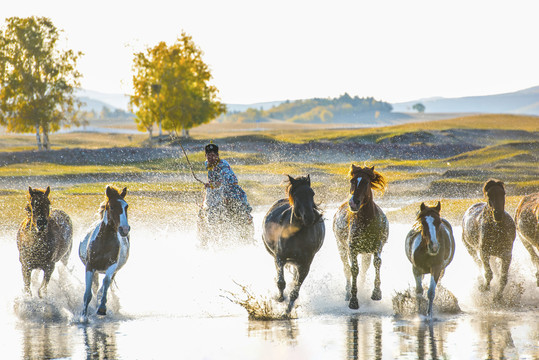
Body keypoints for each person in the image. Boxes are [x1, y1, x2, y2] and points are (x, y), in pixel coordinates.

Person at [203, 142, 253, 224]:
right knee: (206, 206)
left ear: (217, 155)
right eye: (208, 155)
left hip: (230, 191)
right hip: (216, 191)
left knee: (238, 207)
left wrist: (213, 185)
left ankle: (246, 219)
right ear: (206, 156)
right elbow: (211, 179)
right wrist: (209, 185)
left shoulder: (223, 164)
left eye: (212, 155)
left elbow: (223, 180)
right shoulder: (207, 164)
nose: (210, 157)